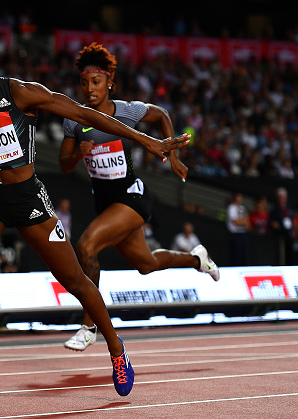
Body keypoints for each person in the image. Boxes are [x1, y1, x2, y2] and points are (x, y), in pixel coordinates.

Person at [0, 15, 190, 397]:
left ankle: (117, 350)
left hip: (29, 201)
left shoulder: (20, 92)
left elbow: (86, 114)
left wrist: (145, 140)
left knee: (76, 282)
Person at [57, 42, 219, 353]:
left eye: (96, 82)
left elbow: (161, 115)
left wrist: (172, 155)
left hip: (132, 197)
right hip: (105, 203)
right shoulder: (74, 120)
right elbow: (63, 166)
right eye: (84, 82)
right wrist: (77, 155)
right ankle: (197, 258)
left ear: (109, 83)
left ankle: (89, 325)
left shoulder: (127, 111)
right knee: (146, 264)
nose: (90, 89)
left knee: (86, 246)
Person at [269, 187, 295, 265]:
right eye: (281, 198)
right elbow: (271, 221)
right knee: (281, 254)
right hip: (280, 236)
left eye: (284, 198)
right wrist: (274, 224)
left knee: (290, 254)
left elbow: (292, 220)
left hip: (289, 235)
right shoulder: (274, 211)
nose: (282, 200)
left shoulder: (289, 209)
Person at [226, 192, 250, 266]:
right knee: (236, 255)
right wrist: (242, 221)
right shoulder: (231, 208)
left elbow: (247, 222)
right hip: (235, 235)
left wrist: (242, 221)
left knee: (243, 255)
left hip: (243, 234)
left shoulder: (242, 208)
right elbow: (236, 222)